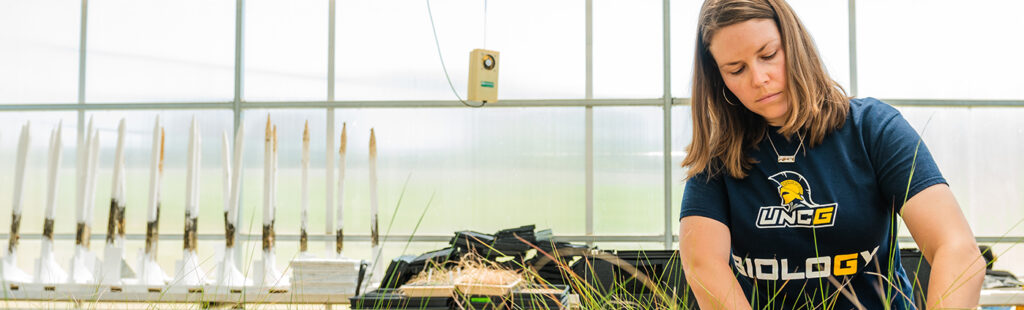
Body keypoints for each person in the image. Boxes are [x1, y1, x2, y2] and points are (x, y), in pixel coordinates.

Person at [677, 0, 985, 309]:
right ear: (718, 78)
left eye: (769, 55)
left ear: (795, 44)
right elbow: (704, 265)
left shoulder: (874, 129)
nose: (759, 79)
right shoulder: (716, 160)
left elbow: (956, 248)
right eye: (736, 69)